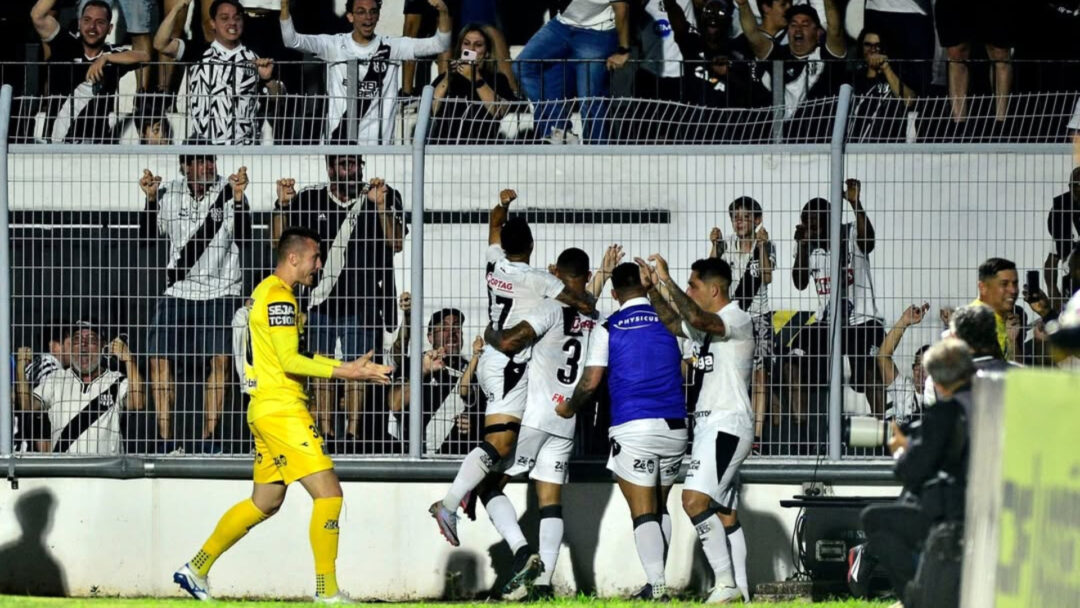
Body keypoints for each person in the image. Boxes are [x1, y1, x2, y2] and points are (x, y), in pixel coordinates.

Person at [172, 227, 393, 603]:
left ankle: (196, 568)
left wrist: (348, 367)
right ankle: (327, 592)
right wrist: (349, 371)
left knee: (265, 502)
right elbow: (291, 361)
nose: (319, 265)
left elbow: (291, 355)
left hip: (265, 408)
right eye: (315, 257)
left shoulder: (267, 292)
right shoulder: (279, 298)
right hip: (282, 410)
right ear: (293, 258)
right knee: (329, 495)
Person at [429, 189, 595, 548]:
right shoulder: (541, 280)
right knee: (499, 443)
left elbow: (494, 224)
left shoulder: (494, 264)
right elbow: (580, 303)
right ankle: (449, 503)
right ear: (532, 245)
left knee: (501, 447)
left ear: (503, 246)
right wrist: (579, 290)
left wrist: (503, 206)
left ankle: (468, 495)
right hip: (509, 364)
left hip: (492, 359)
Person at [555, 262, 687, 601]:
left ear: (614, 294)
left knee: (643, 512)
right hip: (675, 425)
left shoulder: (609, 327)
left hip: (634, 426)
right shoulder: (669, 320)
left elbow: (591, 381)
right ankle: (656, 583)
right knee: (660, 507)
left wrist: (569, 408)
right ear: (644, 285)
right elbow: (685, 367)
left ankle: (658, 588)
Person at [478, 247, 600, 600]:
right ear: (587, 276)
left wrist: (491, 333)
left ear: (555, 275)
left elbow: (511, 340)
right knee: (551, 502)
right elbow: (593, 376)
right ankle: (543, 587)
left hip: (534, 416)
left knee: (488, 486)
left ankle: (522, 554)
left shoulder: (549, 307)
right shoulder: (595, 317)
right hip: (565, 419)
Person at [636, 254, 754, 602]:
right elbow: (675, 323)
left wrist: (667, 281)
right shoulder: (705, 326)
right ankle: (742, 591)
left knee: (693, 500)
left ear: (714, 290)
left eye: (693, 285)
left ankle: (726, 584)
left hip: (727, 424)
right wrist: (652, 289)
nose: (688, 291)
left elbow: (696, 317)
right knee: (725, 513)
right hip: (710, 426)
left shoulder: (736, 318)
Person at [272, 154, 405, 451]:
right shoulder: (310, 199)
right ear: (330, 168)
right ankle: (326, 433)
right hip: (319, 300)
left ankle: (353, 436)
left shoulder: (383, 195)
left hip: (364, 301)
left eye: (355, 164)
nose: (351, 170)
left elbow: (396, 242)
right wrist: (281, 205)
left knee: (358, 367)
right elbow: (278, 243)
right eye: (344, 164)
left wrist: (381, 207)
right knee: (322, 368)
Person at [138, 152, 253, 450]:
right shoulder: (169, 192)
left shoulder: (228, 189)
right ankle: (164, 442)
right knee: (158, 358)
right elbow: (148, 238)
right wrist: (150, 200)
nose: (208, 166)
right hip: (178, 291)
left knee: (222, 360)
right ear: (185, 166)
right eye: (200, 161)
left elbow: (245, 238)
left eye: (211, 160)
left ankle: (209, 441)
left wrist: (239, 198)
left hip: (222, 291)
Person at [860, 338, 973, 608]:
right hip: (987, 503)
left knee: (874, 519)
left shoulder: (946, 412)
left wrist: (900, 450)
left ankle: (912, 597)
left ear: (937, 382)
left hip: (953, 514)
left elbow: (912, 472)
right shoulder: (989, 401)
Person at [280, 0, 452, 144]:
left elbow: (440, 44)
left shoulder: (392, 47)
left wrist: (443, 12)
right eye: (361, 12)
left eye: (373, 12)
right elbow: (291, 40)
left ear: (378, 16)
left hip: (379, 151)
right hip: (340, 149)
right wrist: (285, 6)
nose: (368, 17)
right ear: (350, 16)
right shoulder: (333, 45)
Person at [791, 179, 886, 415]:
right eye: (807, 224)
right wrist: (802, 245)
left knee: (870, 370)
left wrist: (855, 204)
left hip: (862, 321)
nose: (812, 229)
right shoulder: (807, 246)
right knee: (792, 360)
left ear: (830, 221)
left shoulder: (851, 232)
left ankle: (885, 426)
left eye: (816, 224)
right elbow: (800, 283)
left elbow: (868, 241)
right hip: (827, 323)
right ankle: (802, 432)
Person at [155, 0, 284, 145]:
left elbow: (278, 98)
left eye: (237, 18)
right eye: (224, 18)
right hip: (205, 150)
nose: (232, 23)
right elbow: (160, 44)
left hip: (244, 149)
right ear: (212, 23)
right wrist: (177, 9)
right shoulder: (198, 51)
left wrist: (268, 80)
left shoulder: (255, 57)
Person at [30, 0, 151, 143]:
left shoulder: (112, 55)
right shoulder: (66, 44)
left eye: (100, 22)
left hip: (95, 145)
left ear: (110, 28)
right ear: (79, 23)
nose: (92, 27)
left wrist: (106, 58)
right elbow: (37, 15)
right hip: (56, 144)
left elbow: (145, 56)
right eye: (87, 20)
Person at [513, 0, 633, 144]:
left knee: (589, 99)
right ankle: (559, 129)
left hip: (597, 32)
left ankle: (597, 151)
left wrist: (623, 50)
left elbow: (621, 8)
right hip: (562, 24)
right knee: (522, 65)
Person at [709, 196, 775, 444]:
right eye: (735, 218)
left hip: (759, 317)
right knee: (732, 375)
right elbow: (710, 275)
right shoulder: (726, 245)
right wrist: (714, 246)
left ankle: (756, 436)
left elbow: (766, 277)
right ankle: (733, 429)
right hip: (733, 318)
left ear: (757, 220)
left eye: (745, 217)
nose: (739, 222)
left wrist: (762, 247)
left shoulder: (766, 245)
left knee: (760, 375)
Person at [736, 0, 846, 140]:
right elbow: (752, 35)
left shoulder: (826, 56)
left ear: (817, 32)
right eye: (793, 25)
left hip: (819, 141)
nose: (798, 29)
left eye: (805, 25)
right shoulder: (778, 55)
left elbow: (835, 29)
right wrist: (743, 5)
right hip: (778, 142)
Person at [32, 322, 144, 454]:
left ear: (103, 346)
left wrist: (129, 359)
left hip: (106, 466)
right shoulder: (56, 379)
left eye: (91, 339)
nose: (83, 344)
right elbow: (27, 406)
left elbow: (138, 403)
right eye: (77, 340)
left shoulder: (116, 380)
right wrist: (20, 369)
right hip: (63, 466)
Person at [388, 303, 484, 456]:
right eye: (444, 327)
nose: (452, 332)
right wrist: (423, 371)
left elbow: (483, 414)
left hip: (458, 458)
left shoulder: (472, 371)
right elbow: (395, 403)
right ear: (430, 337)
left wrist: (473, 424)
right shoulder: (414, 363)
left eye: (457, 327)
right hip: (414, 456)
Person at [429, 23, 516, 144]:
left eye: (478, 45)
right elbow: (430, 110)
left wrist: (476, 78)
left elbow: (500, 111)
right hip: (446, 146)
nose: (471, 49)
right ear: (460, 48)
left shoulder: (497, 79)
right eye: (466, 43)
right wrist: (447, 79)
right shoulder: (446, 77)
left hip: (483, 146)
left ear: (487, 52)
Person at [848, 29, 917, 144]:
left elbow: (909, 101)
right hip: (858, 145)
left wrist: (885, 68)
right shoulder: (854, 78)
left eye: (877, 45)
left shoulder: (895, 74)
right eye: (868, 45)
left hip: (889, 146)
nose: (873, 50)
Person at [875, 304, 930, 423]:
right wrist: (904, 322)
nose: (920, 371)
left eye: (926, 366)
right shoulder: (904, 389)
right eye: (917, 365)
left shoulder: (942, 395)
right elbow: (883, 356)